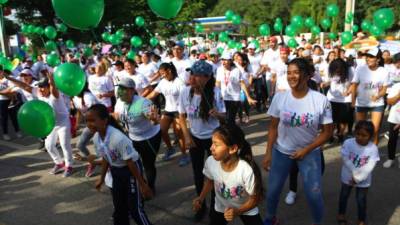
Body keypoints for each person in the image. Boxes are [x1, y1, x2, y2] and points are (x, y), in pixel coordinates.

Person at [262, 58, 333, 225]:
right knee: (272, 192)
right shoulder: (280, 98)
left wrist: (307, 150)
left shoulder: (320, 100)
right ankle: (270, 219)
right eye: (288, 73)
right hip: (281, 151)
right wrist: (268, 153)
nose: (291, 76)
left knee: (314, 194)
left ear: (307, 76)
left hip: (309, 154)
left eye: (296, 72)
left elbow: (327, 133)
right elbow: (273, 128)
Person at [87, 104, 153, 225]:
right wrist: (101, 179)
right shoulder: (97, 138)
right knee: (119, 208)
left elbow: (130, 162)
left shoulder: (117, 138)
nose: (89, 124)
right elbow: (106, 158)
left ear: (105, 120)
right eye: (87, 121)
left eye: (93, 120)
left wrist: (143, 185)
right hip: (116, 171)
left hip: (131, 170)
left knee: (135, 210)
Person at [178, 60, 226, 221]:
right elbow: (181, 116)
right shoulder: (185, 92)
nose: (192, 78)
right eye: (192, 74)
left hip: (214, 139)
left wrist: (217, 114)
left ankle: (215, 207)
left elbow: (224, 116)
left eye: (197, 75)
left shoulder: (215, 92)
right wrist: (187, 136)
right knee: (198, 174)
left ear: (207, 78)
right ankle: (200, 205)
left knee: (214, 174)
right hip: (195, 139)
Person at [5, 70, 74, 177]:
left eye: (43, 87)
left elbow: (54, 90)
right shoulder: (39, 92)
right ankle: (59, 163)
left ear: (49, 87)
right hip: (51, 123)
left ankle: (69, 166)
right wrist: (9, 78)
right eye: (39, 87)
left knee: (64, 144)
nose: (40, 89)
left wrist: (52, 82)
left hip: (63, 122)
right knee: (49, 145)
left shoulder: (55, 95)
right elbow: (24, 86)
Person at [192, 123, 263, 225]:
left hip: (246, 207)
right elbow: (210, 181)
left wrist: (238, 211)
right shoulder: (211, 162)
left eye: (216, 144)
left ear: (233, 149)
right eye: (212, 143)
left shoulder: (246, 170)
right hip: (221, 207)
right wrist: (201, 198)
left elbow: (256, 198)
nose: (211, 148)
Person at [114, 77, 161, 194]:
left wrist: (154, 119)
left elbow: (153, 119)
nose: (119, 91)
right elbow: (116, 116)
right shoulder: (119, 102)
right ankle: (142, 184)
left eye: (123, 89)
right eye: (119, 88)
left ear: (131, 90)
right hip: (132, 137)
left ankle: (150, 187)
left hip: (149, 138)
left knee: (148, 164)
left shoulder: (143, 103)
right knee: (133, 163)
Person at [146, 62, 189, 166]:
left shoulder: (179, 82)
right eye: (160, 73)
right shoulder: (162, 82)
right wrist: (139, 101)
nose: (162, 75)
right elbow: (153, 94)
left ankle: (185, 155)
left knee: (178, 132)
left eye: (162, 73)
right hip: (168, 110)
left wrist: (187, 113)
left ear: (169, 71)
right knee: (161, 130)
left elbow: (186, 98)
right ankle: (170, 149)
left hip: (179, 111)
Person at [337, 121, 379, 225]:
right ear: (355, 132)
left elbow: (370, 165)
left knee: (361, 199)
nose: (360, 137)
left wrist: (359, 178)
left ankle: (361, 219)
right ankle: (341, 214)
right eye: (358, 134)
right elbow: (345, 158)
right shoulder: (348, 143)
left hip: (364, 179)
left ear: (371, 136)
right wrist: (355, 173)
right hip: (348, 176)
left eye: (364, 135)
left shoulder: (373, 148)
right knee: (344, 195)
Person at [351, 47, 389, 144]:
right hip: (361, 103)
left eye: (371, 57)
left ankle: (373, 150)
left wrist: (378, 95)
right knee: (359, 130)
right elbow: (354, 85)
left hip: (377, 104)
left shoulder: (383, 71)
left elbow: (384, 89)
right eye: (367, 56)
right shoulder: (360, 69)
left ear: (378, 59)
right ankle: (359, 150)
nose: (368, 59)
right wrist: (353, 102)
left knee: (374, 130)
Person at [216, 52, 256, 124]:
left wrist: (248, 97)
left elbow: (242, 84)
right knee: (223, 119)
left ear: (230, 61)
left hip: (234, 98)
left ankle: (233, 133)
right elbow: (217, 83)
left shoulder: (236, 70)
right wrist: (216, 96)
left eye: (226, 60)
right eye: (222, 59)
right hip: (223, 98)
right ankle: (228, 133)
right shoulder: (219, 69)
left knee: (230, 119)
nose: (223, 61)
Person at [72, 83, 99, 177]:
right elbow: (79, 112)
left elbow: (96, 113)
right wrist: (76, 125)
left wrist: (96, 129)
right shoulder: (75, 97)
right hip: (90, 125)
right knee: (79, 145)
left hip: (100, 124)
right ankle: (92, 162)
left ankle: (106, 166)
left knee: (99, 147)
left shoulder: (88, 97)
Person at [326, 58, 354, 143]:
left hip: (345, 99)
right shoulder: (330, 68)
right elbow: (329, 80)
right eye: (335, 70)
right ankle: (330, 135)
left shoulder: (350, 70)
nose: (337, 71)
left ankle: (340, 134)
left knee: (343, 119)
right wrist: (325, 83)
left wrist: (348, 91)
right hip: (332, 98)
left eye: (339, 70)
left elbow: (354, 83)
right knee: (332, 119)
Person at [382, 79, 400, 168]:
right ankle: (391, 158)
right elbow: (389, 102)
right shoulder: (396, 86)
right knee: (392, 139)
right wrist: (398, 95)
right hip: (395, 117)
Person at [0, 69, 22, 140]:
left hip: (11, 100)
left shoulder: (8, 79)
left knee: (13, 117)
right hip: (2, 101)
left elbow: (12, 89)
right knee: (4, 118)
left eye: (1, 72)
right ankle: (5, 133)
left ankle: (17, 131)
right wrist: (7, 93)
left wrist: (5, 93)